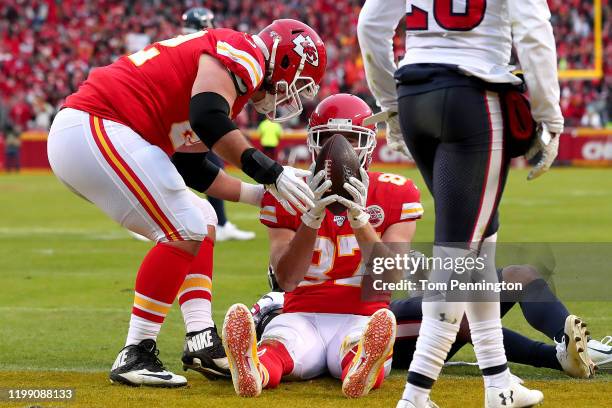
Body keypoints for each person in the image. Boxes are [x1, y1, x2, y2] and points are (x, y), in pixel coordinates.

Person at [47, 19, 326, 387]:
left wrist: (259, 195)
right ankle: (136, 351)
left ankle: (200, 339)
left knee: (202, 216)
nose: (289, 98)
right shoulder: (247, 53)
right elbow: (207, 117)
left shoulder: (233, 77)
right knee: (184, 227)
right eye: (296, 85)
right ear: (286, 60)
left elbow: (190, 165)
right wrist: (271, 172)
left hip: (99, 133)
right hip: (97, 122)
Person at [358, 1, 566, 406]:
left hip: (416, 93)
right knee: (458, 257)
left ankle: (498, 381)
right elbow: (533, 29)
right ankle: (415, 396)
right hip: (473, 97)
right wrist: (549, 117)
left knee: (478, 251)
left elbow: (370, 25)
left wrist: (391, 102)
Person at [221, 93, 424, 398]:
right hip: (300, 312)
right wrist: (311, 217)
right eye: (328, 137)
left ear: (369, 143)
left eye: (351, 139)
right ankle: (254, 370)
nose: (338, 149)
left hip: (363, 316)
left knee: (358, 346)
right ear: (313, 142)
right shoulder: (289, 190)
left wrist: (359, 219)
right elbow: (286, 279)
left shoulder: (396, 192)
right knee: (279, 348)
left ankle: (360, 366)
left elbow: (388, 278)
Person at [255, 264, 606, 378]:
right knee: (463, 317)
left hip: (397, 307)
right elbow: (280, 338)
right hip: (381, 328)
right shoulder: (279, 303)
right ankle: (559, 358)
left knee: (520, 275)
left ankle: (576, 345)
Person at [181, 7, 256, 242]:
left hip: (185, 119)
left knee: (202, 166)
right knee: (184, 169)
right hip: (185, 119)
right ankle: (218, 223)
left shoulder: (184, 43)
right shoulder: (200, 46)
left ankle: (221, 222)